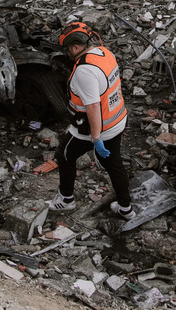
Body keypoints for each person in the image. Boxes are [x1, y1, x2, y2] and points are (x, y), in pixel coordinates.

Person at [47, 22, 133, 220]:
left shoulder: (84, 71)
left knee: (65, 155)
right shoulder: (104, 53)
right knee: (114, 165)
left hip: (94, 129)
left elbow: (93, 107)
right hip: (117, 119)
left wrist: (96, 139)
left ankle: (67, 199)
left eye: (68, 48)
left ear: (76, 47)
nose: (67, 52)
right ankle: (126, 208)